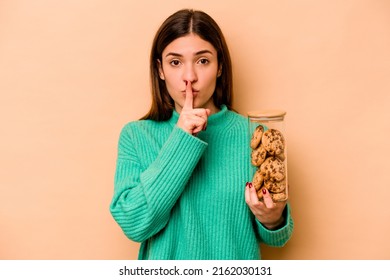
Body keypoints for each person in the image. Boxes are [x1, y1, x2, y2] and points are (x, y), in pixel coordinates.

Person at [110, 8, 293, 260]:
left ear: (219, 67)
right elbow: (134, 223)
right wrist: (182, 138)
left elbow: (277, 236)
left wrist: (273, 219)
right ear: (160, 70)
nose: (189, 77)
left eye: (203, 61)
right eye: (175, 62)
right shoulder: (136, 136)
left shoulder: (254, 135)